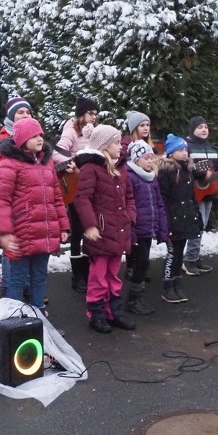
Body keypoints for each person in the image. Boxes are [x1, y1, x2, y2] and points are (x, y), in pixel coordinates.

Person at [0, 117, 70, 311]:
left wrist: (63, 226)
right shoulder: (9, 164)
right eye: (33, 136)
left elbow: (57, 198)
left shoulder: (47, 163)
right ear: (21, 140)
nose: (39, 139)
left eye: (40, 135)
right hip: (22, 232)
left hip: (45, 232)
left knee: (40, 276)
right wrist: (5, 231)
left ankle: (38, 316)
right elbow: (2, 201)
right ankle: (12, 317)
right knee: (18, 279)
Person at [73, 123, 137, 333]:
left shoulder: (121, 169)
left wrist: (130, 216)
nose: (121, 147)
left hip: (118, 231)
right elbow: (83, 199)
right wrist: (90, 225)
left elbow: (129, 197)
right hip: (100, 232)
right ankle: (96, 314)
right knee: (98, 276)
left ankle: (114, 312)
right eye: (116, 143)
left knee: (114, 275)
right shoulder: (90, 169)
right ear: (104, 145)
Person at [0, 94, 35, 296]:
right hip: (8, 197)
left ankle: (27, 286)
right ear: (11, 117)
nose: (25, 115)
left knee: (28, 241)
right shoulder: (2, 140)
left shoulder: (35, 138)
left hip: (27, 197)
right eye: (20, 112)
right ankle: (8, 285)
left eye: (28, 112)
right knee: (10, 243)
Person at [53, 97, 98, 292]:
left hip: (91, 186)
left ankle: (88, 273)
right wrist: (73, 162)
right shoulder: (71, 131)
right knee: (78, 231)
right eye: (90, 113)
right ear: (81, 114)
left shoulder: (94, 132)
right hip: (75, 187)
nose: (93, 118)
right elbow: (56, 154)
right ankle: (77, 276)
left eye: (95, 114)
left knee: (91, 229)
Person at [124, 139, 168, 314]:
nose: (150, 161)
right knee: (141, 262)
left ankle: (137, 296)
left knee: (143, 262)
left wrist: (162, 228)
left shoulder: (152, 179)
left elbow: (159, 204)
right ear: (136, 160)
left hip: (148, 228)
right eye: (146, 158)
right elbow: (128, 206)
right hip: (137, 229)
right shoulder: (131, 177)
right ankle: (133, 299)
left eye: (151, 157)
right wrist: (131, 231)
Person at [157, 133, 201, 303]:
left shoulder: (187, 171)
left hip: (184, 219)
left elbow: (191, 197)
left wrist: (195, 215)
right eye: (180, 150)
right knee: (172, 253)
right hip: (171, 220)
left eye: (186, 150)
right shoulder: (166, 171)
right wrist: (165, 223)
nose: (184, 153)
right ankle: (168, 286)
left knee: (179, 253)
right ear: (170, 152)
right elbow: (163, 198)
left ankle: (177, 283)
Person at [183, 115, 218, 276]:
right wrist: (200, 173)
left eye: (205, 126)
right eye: (200, 127)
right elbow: (187, 167)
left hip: (208, 192)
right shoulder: (187, 145)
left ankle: (195, 256)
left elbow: (215, 165)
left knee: (202, 225)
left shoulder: (209, 146)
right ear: (192, 130)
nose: (204, 129)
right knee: (197, 225)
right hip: (194, 192)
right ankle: (189, 260)